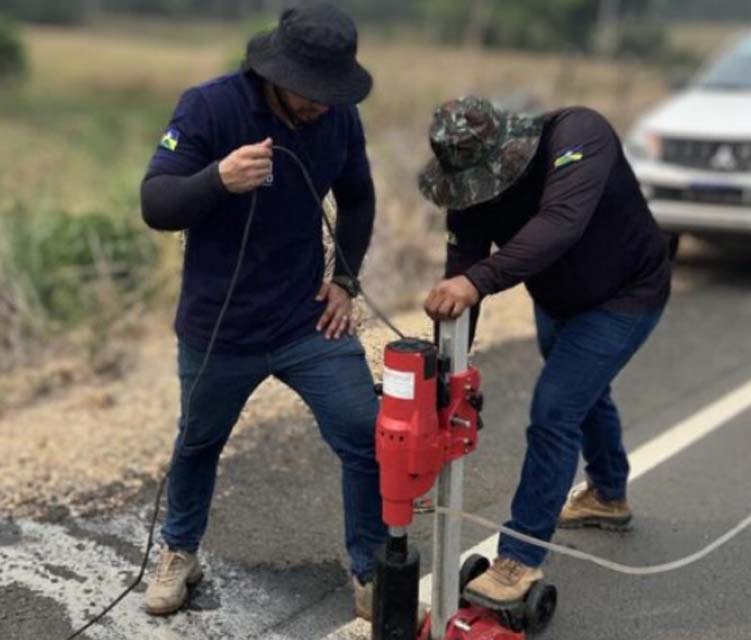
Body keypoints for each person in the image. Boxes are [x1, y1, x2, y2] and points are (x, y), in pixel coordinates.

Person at [139, 2, 385, 619]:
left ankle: (372, 567)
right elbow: (155, 203)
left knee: (366, 432)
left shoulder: (339, 119)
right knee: (198, 442)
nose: (322, 104)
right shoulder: (210, 106)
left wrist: (346, 282)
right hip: (219, 325)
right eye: (311, 92)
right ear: (277, 73)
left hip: (306, 319)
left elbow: (358, 199)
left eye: (332, 92)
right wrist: (217, 179)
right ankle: (179, 551)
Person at [420, 96, 671, 609]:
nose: (481, 195)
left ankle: (519, 559)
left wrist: (477, 281)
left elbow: (560, 223)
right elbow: (463, 269)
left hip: (627, 294)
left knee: (555, 410)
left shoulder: (580, 135)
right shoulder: (467, 183)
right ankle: (608, 495)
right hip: (557, 300)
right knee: (583, 392)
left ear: (508, 148)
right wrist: (445, 374)